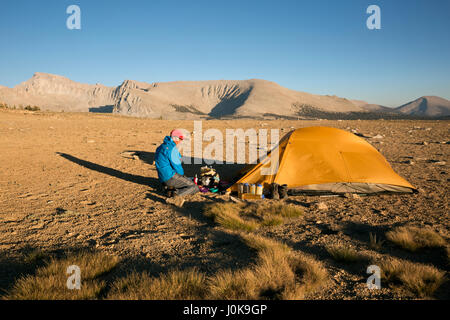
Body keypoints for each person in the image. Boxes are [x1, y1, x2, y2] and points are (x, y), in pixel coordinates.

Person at [154, 129, 198, 207]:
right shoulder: (171, 149)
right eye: (180, 139)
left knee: (185, 180)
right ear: (175, 138)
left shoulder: (161, 146)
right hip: (169, 177)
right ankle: (175, 195)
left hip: (162, 177)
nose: (180, 141)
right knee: (194, 187)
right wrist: (182, 176)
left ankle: (169, 188)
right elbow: (177, 167)